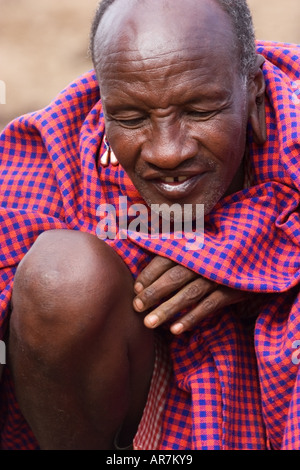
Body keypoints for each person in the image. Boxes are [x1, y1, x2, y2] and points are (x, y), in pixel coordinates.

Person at [0, 0, 300, 450]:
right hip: (136, 407)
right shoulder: (59, 144)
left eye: (199, 111)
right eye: (131, 118)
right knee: (61, 276)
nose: (166, 153)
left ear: (254, 91)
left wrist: (262, 247)